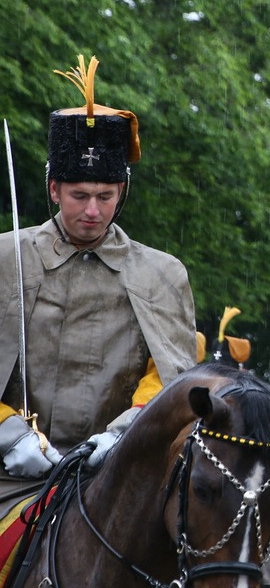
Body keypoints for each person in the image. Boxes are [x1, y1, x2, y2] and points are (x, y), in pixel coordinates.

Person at [0, 55, 196, 528]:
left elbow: (172, 378)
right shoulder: (6, 259)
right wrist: (9, 434)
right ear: (53, 189)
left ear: (122, 193)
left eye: (105, 196)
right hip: (9, 472)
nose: (92, 210)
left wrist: (124, 435)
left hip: (119, 475)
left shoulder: (162, 274)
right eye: (78, 195)